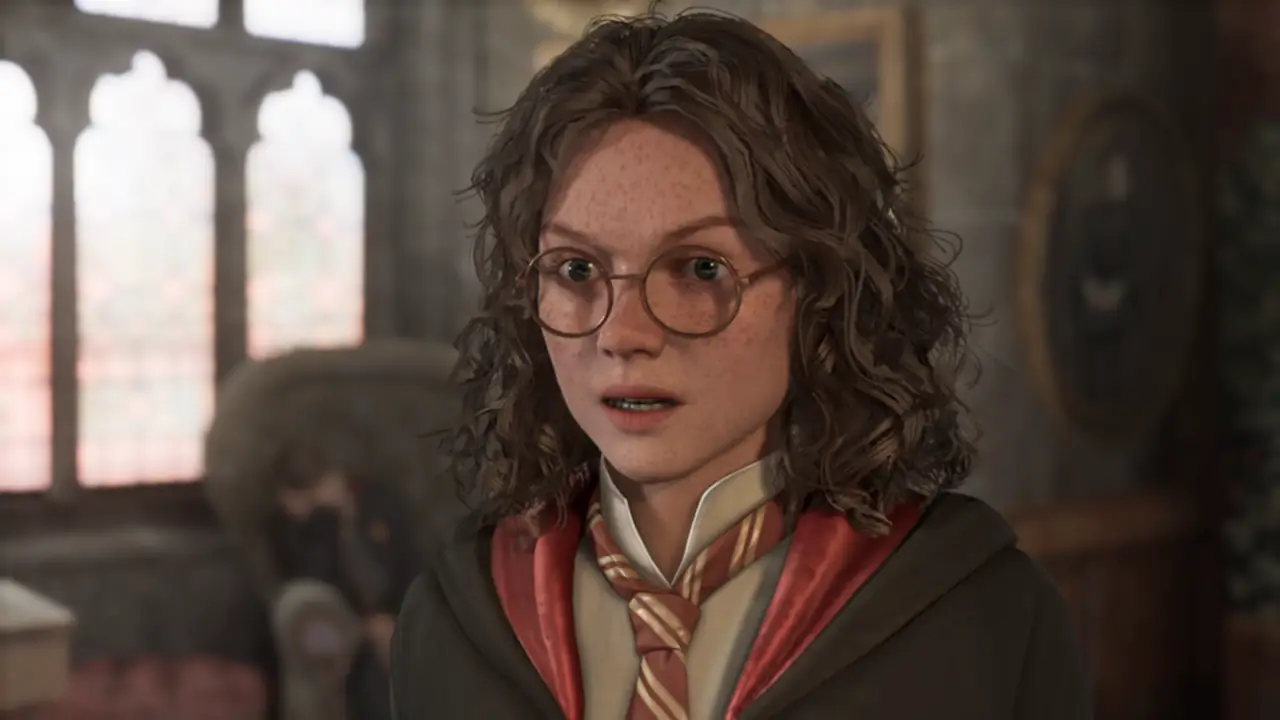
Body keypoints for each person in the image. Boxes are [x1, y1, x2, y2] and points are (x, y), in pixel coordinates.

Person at [391, 9, 1091, 720]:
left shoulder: (984, 618)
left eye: (700, 269)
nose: (622, 334)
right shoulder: (453, 624)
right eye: (575, 269)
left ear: (817, 291)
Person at [267, 444, 419, 720]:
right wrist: (324, 523)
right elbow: (312, 584)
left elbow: (410, 564)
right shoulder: (293, 528)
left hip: (396, 612)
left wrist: (396, 619)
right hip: (345, 621)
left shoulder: (379, 502)